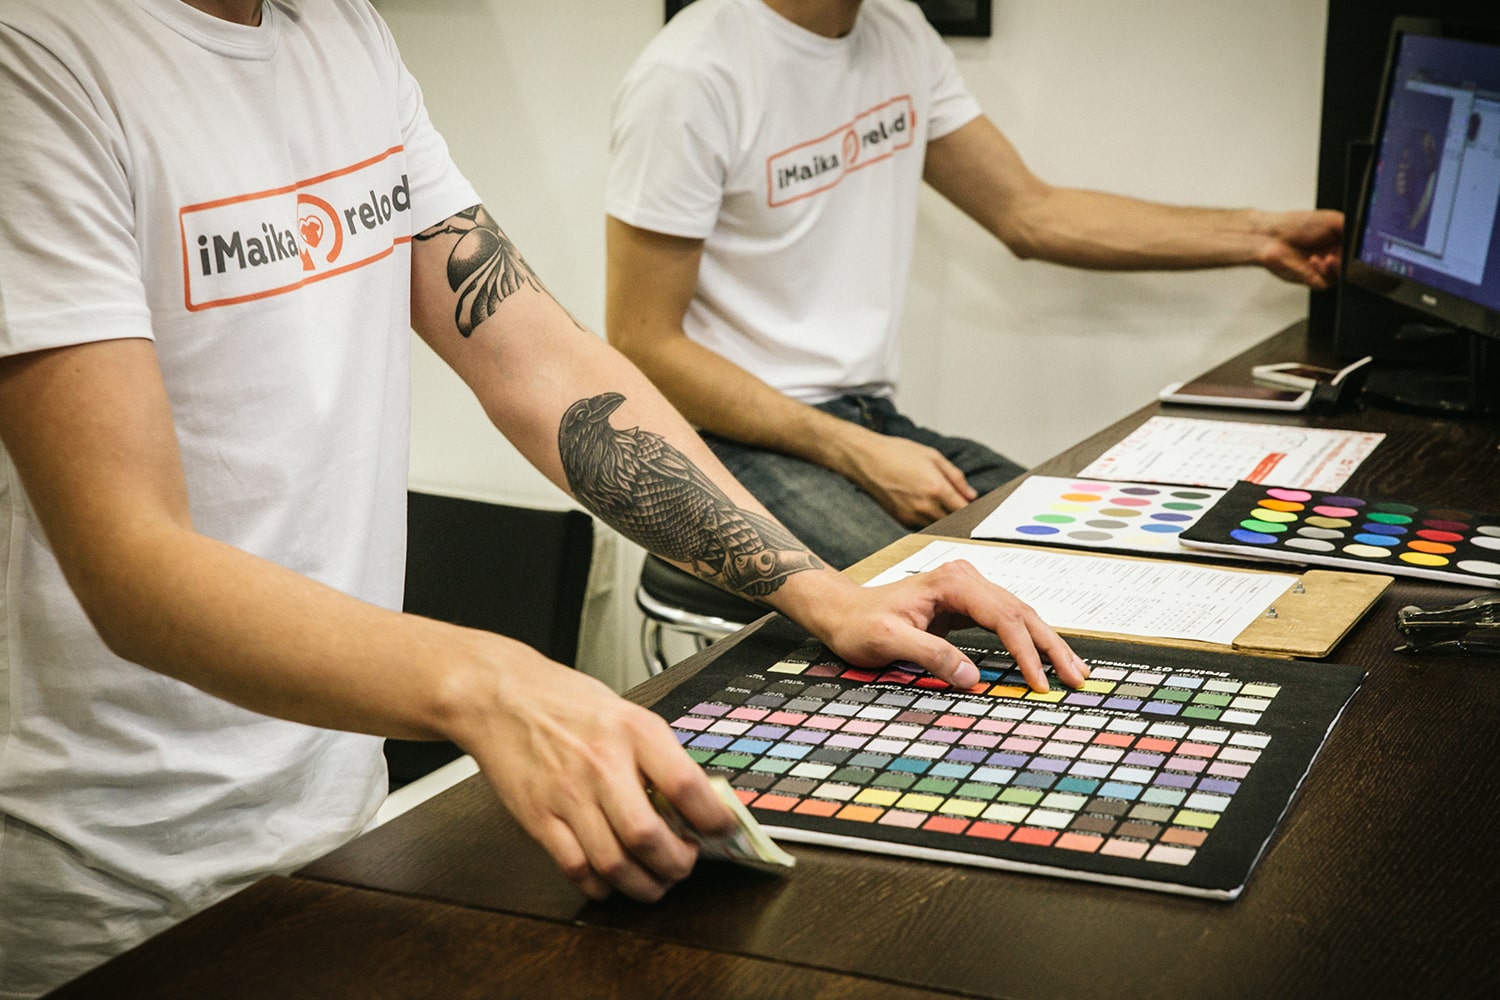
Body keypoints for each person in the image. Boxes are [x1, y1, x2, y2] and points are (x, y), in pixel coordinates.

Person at [0, 0, 1089, 994]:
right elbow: (130, 565)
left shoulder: (345, 35)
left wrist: (826, 591)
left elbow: (539, 365)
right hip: (114, 887)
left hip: (337, 834)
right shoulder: (38, 55)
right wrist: (497, 684)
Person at [605, 0, 1346, 569]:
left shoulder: (897, 32)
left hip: (867, 421)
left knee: (1101, 560)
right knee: (953, 607)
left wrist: (1260, 236)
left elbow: (1031, 213)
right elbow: (644, 345)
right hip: (721, 443)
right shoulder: (691, 74)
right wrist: (852, 449)